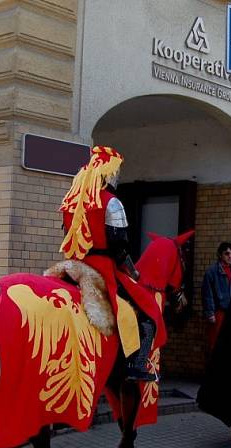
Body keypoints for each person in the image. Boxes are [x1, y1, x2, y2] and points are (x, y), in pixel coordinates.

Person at [59, 145, 162, 381]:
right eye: (116, 171)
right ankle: (135, 365)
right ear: (108, 172)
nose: (117, 176)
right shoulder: (111, 202)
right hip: (101, 267)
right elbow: (119, 246)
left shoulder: (71, 201)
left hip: (73, 265)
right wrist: (133, 271)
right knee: (147, 313)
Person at [201, 241, 231, 353]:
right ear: (220, 254)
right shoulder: (212, 272)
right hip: (218, 313)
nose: (230, 256)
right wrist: (210, 313)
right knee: (215, 345)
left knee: (228, 344)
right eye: (227, 253)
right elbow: (207, 294)